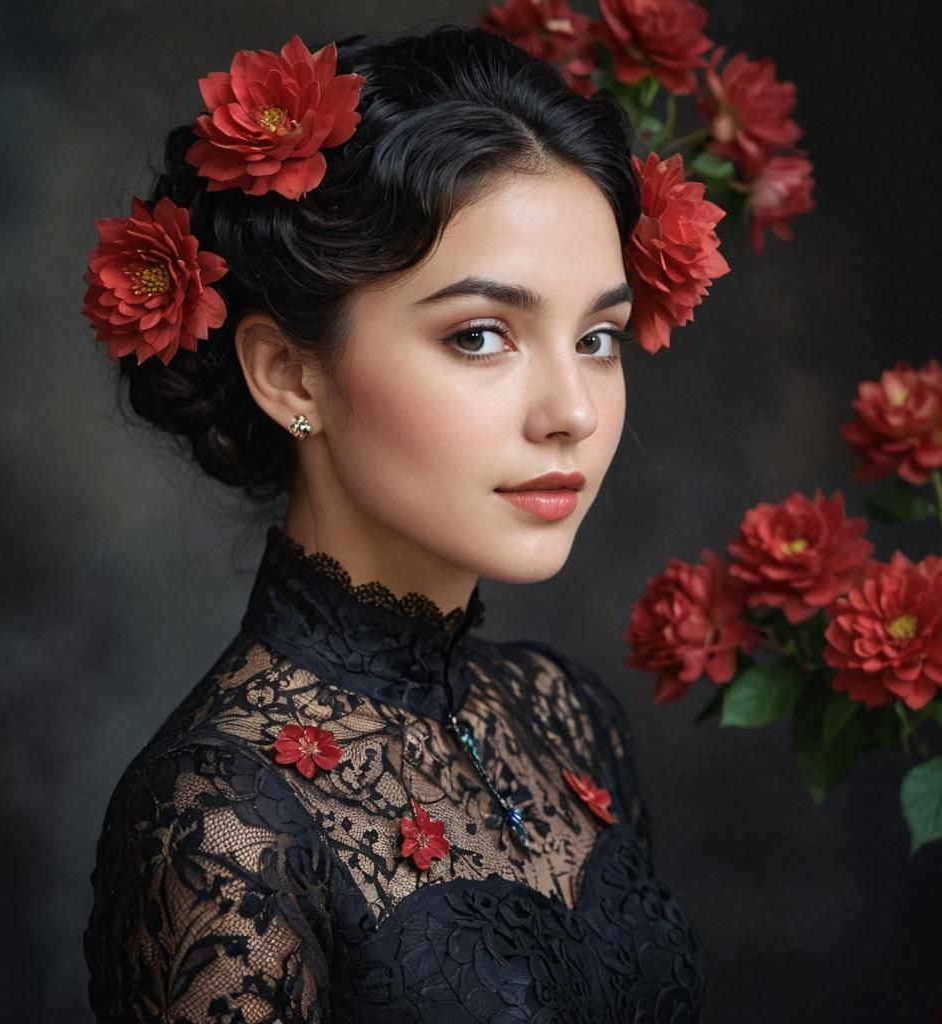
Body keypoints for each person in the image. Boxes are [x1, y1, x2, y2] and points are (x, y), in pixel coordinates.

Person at [82, 22, 709, 1022]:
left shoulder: (564, 713)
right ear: (290, 374)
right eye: (481, 336)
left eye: (598, 337)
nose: (574, 412)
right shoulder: (219, 819)